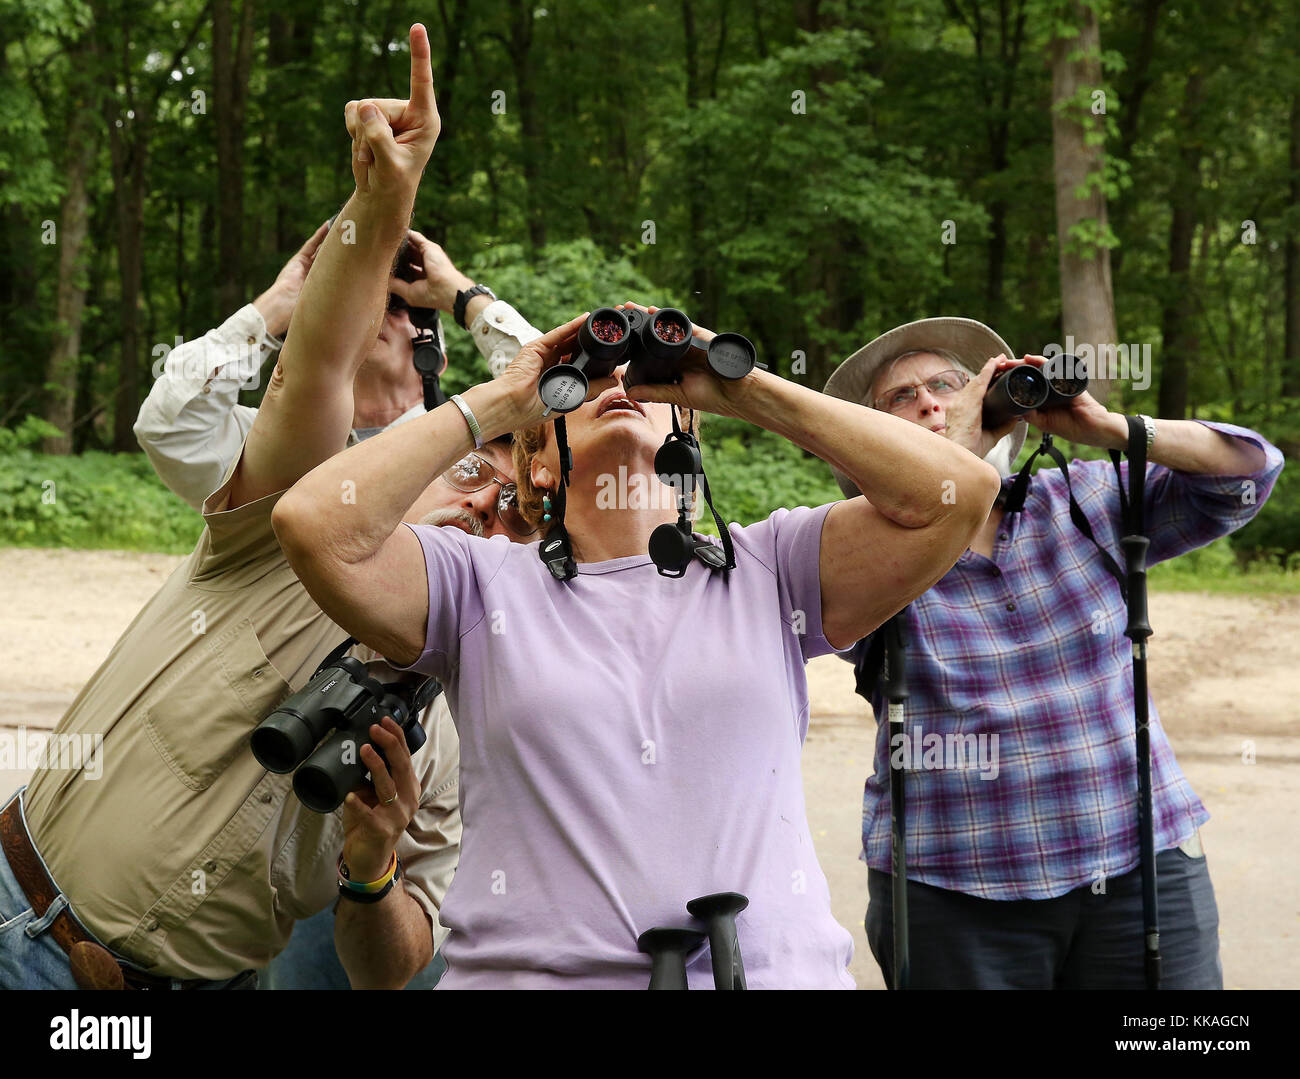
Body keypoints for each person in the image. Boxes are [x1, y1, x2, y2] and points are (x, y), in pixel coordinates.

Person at [270, 36, 1004, 985]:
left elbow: (956, 492)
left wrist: (733, 381)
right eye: (593, 381)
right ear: (540, 454)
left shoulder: (771, 567)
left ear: (686, 430)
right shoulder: (476, 588)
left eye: (645, 381)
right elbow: (309, 522)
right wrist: (507, 395)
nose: (620, 385)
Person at [0, 26, 525, 991]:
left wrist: (462, 296)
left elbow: (577, 419)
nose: (489, 508)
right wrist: (362, 224)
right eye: (470, 475)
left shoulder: (439, 727)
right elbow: (230, 395)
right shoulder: (305, 514)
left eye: (513, 515)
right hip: (20, 925)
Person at [821, 317, 1284, 990]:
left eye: (948, 384)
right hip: (952, 890)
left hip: (1140, 867)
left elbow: (1248, 473)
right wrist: (945, 466)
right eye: (901, 397)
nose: (929, 401)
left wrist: (1113, 429)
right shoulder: (860, 546)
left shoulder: (1082, 498)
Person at [134, 224, 541, 513]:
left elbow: (560, 403)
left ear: (433, 355)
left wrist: (462, 295)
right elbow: (168, 429)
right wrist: (280, 302)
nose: (372, 313)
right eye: (354, 304)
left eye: (395, 304)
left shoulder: (468, 450)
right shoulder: (264, 443)